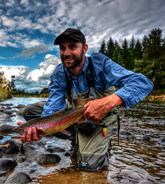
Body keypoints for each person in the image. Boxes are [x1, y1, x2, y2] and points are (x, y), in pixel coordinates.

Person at [19, 28, 154, 170]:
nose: (66, 53)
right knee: (31, 111)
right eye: (62, 48)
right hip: (73, 116)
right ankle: (76, 139)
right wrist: (42, 130)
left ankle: (100, 142)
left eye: (72, 47)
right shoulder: (59, 73)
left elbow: (143, 83)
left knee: (87, 166)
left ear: (84, 49)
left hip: (100, 121)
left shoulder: (101, 65)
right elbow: (53, 108)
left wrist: (109, 102)